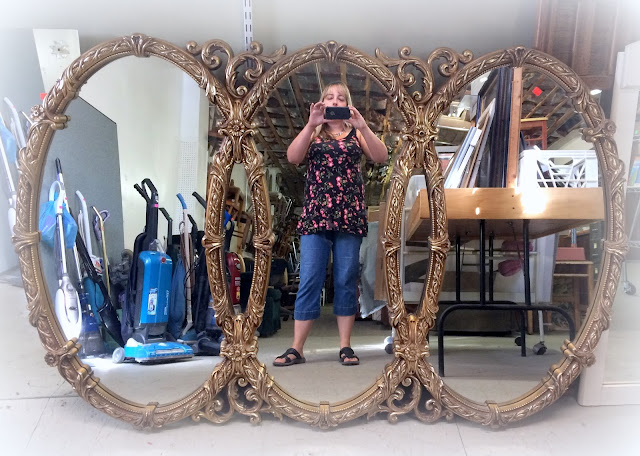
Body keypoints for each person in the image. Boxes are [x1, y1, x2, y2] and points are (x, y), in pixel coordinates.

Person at [273, 82, 388, 367]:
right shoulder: (313, 133)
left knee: (345, 279)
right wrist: (310, 124)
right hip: (316, 215)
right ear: (321, 103)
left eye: (341, 98)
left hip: (349, 215)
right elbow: (293, 158)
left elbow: (381, 156)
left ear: (348, 104)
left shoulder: (356, 133)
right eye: (329, 97)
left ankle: (345, 346)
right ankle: (297, 348)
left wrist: (363, 126)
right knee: (310, 278)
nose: (335, 101)